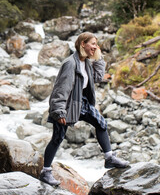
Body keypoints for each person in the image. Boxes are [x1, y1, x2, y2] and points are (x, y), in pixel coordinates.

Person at [40, 32, 129, 186]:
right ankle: (45, 172)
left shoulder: (86, 62)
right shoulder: (70, 63)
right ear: (83, 44)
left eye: (96, 44)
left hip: (82, 103)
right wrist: (59, 111)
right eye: (93, 44)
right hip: (68, 105)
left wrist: (99, 58)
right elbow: (61, 89)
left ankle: (109, 158)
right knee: (57, 138)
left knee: (101, 123)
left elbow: (97, 77)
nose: (95, 47)